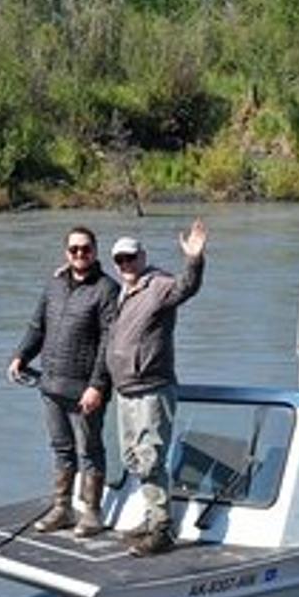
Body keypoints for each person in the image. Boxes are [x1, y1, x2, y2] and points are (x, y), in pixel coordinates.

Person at [104, 219, 207, 556]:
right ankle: (151, 517)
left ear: (143, 257)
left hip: (152, 387)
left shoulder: (158, 285)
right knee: (132, 458)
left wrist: (194, 259)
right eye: (120, 260)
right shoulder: (122, 291)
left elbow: (186, 288)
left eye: (131, 257)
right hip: (125, 389)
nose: (126, 264)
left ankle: (162, 529)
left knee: (151, 459)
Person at [8, 226, 117, 536]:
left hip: (85, 390)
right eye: (74, 249)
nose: (80, 254)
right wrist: (21, 356)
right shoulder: (53, 285)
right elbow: (37, 326)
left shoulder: (106, 289)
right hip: (51, 384)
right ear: (66, 253)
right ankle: (62, 508)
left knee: (90, 450)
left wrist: (97, 385)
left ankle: (92, 512)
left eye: (86, 249)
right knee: (61, 448)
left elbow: (109, 341)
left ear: (95, 251)